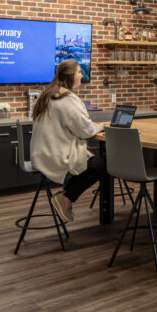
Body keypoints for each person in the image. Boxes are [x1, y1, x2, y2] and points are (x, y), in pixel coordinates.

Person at [31, 59, 105, 223]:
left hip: (43, 152)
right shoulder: (65, 99)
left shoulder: (49, 94)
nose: (81, 76)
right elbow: (84, 129)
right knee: (101, 164)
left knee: (93, 161)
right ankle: (66, 198)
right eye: (79, 72)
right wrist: (99, 126)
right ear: (71, 75)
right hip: (55, 155)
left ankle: (66, 195)